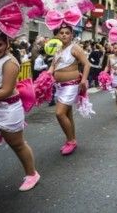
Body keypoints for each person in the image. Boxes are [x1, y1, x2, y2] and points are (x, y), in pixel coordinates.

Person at [0, 31, 41, 191]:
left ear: (7, 42)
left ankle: (32, 174)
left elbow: (6, 90)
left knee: (18, 144)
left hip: (7, 110)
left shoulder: (10, 62)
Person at [48, 25, 90, 155]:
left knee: (60, 113)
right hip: (59, 87)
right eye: (61, 33)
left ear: (72, 35)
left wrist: (83, 80)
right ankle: (70, 139)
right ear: (57, 35)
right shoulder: (58, 50)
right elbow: (52, 67)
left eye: (67, 33)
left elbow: (87, 64)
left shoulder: (75, 48)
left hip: (71, 86)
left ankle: (71, 141)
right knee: (67, 114)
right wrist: (45, 78)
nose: (64, 35)